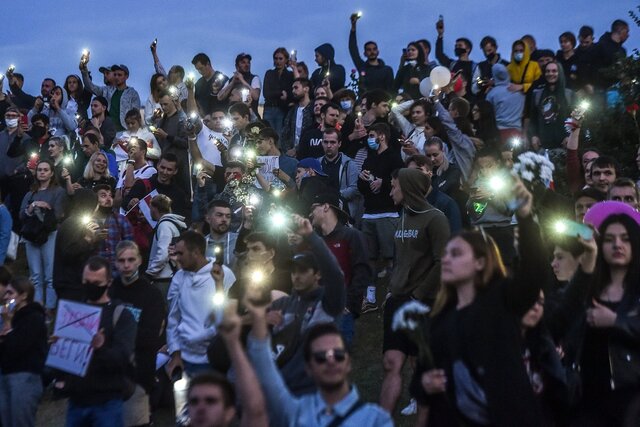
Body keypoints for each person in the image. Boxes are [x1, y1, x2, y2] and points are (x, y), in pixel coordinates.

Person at [412, 180, 546, 426]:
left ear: (481, 263)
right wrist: (424, 384)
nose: (447, 260)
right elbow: (421, 379)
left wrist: (526, 218)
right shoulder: (438, 319)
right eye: (446, 254)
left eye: (457, 253)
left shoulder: (502, 300)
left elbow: (534, 271)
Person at [548, 206, 640, 426]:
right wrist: (588, 261)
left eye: (625, 239)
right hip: (585, 402)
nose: (617, 244)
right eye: (609, 239)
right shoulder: (587, 288)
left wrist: (616, 322)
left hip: (631, 403)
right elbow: (556, 323)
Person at [380, 168, 450, 413]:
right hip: (397, 300)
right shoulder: (402, 217)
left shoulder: (435, 217)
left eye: (394, 186)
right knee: (391, 363)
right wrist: (391, 290)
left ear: (408, 188)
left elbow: (443, 262)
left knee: (418, 364)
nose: (391, 191)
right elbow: (401, 260)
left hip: (421, 302)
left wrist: (417, 295)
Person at [247, 314, 392, 426]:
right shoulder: (295, 412)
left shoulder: (377, 420)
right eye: (321, 357)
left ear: (349, 362)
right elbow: (268, 375)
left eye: (338, 354)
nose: (331, 360)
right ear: (309, 368)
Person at [63, 256, 137, 427]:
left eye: (97, 283)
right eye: (86, 281)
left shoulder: (121, 315)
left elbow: (123, 358)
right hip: (76, 401)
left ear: (109, 282)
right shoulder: (73, 312)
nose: (90, 287)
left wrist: (100, 347)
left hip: (107, 403)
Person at [110, 240, 166, 427]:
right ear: (115, 262)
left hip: (139, 375)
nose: (126, 265)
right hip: (109, 374)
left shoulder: (151, 294)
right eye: (121, 260)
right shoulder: (109, 290)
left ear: (139, 260)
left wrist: (115, 332)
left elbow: (151, 338)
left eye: (131, 259)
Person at [166, 231, 236, 377]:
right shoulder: (179, 278)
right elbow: (173, 319)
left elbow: (229, 316)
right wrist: (175, 352)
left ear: (196, 252)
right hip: (184, 359)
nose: (177, 258)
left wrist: (219, 284)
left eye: (181, 254)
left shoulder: (225, 274)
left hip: (215, 360)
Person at [309, 193, 371, 347]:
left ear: (326, 207)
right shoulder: (316, 243)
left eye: (313, 208)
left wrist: (350, 305)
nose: (310, 214)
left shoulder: (351, 236)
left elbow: (362, 271)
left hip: (341, 314)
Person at [357, 123, 404, 311]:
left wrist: (383, 183)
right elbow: (361, 188)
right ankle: (370, 298)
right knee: (369, 258)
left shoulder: (394, 157)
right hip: (368, 214)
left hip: (388, 213)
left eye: (371, 135)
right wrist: (363, 179)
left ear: (382, 136)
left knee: (391, 257)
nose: (369, 138)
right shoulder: (368, 160)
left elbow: (399, 180)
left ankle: (393, 296)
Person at [20, 159, 66, 312]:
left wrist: (47, 207)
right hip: (31, 235)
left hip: (50, 234)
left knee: (50, 274)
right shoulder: (30, 193)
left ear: (52, 173)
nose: (42, 172)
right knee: (35, 275)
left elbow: (60, 214)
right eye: (39, 169)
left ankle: (50, 308)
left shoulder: (58, 191)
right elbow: (21, 215)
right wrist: (32, 207)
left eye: (46, 170)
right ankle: (37, 307)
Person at [0, 277, 47, 427]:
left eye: (10, 293)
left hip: (25, 377)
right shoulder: (16, 319)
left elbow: (15, 347)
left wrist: (7, 323)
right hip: (7, 375)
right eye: (5, 293)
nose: (6, 297)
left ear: (24, 295)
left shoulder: (33, 318)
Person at [53, 189, 100, 302]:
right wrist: (87, 240)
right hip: (70, 285)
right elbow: (68, 252)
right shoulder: (73, 223)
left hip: (76, 282)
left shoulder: (78, 222)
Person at [80, 61, 141, 132]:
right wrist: (84, 72)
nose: (117, 77)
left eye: (119, 75)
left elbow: (135, 114)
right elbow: (91, 87)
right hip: (107, 130)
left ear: (126, 76)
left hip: (124, 131)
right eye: (115, 75)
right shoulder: (107, 90)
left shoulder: (132, 93)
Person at [317, 127, 362, 223]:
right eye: (326, 142)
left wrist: (335, 196)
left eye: (332, 142)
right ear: (322, 143)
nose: (329, 145)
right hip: (320, 213)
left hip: (343, 213)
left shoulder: (350, 164)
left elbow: (354, 189)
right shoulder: (317, 164)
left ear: (339, 144)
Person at [151, 89, 190, 196]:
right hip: (164, 164)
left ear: (173, 102)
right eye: (161, 104)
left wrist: (167, 136)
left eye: (166, 104)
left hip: (179, 166)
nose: (163, 107)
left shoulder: (181, 119)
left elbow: (186, 142)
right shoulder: (161, 120)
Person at [145, 194, 187, 295]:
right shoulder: (172, 224)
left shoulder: (164, 226)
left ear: (154, 208)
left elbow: (163, 253)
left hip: (164, 279)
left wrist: (150, 273)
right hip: (172, 276)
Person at [529, 61, 574, 151]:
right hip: (542, 147)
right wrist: (533, 136)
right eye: (548, 71)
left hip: (564, 146)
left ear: (560, 73)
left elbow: (575, 119)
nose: (550, 74)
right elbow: (533, 119)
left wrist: (570, 137)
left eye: (554, 71)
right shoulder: (537, 94)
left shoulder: (569, 94)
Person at [92, 184, 133, 273]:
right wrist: (93, 239)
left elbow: (130, 247)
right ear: (94, 199)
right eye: (103, 195)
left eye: (110, 195)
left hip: (117, 273)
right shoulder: (88, 221)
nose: (108, 199)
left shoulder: (121, 219)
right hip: (95, 272)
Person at [348, 13, 394, 92]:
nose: (372, 52)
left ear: (378, 51)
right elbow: (353, 49)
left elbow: (391, 90)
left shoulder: (387, 70)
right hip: (365, 102)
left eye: (374, 49)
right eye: (369, 50)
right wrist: (353, 27)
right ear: (365, 53)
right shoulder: (362, 67)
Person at [485, 63, 526, 146]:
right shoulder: (520, 90)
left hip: (499, 133)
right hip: (517, 132)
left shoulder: (491, 94)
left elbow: (487, 114)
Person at [435, 18, 477, 99]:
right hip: (451, 100)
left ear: (467, 49)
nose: (457, 47)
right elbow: (439, 55)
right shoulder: (452, 64)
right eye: (456, 46)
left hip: (468, 100)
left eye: (460, 46)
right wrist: (440, 35)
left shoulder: (475, 67)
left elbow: (476, 87)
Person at [262, 48, 294, 136]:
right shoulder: (269, 73)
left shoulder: (290, 75)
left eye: (280, 58)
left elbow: (291, 93)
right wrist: (281, 93)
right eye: (276, 58)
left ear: (286, 60)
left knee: (279, 136)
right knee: (267, 135)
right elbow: (266, 93)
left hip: (282, 109)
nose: (278, 61)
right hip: (269, 108)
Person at [281, 78, 314, 156]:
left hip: (309, 153)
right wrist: (288, 150)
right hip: (291, 155)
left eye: (296, 88)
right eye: (292, 88)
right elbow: (285, 132)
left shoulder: (313, 109)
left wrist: (297, 149)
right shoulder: (292, 111)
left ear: (306, 89)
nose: (293, 91)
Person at [204, 200, 239, 271]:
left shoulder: (238, 240)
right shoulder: (201, 245)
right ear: (208, 218)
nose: (224, 219)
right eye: (219, 215)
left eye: (228, 216)